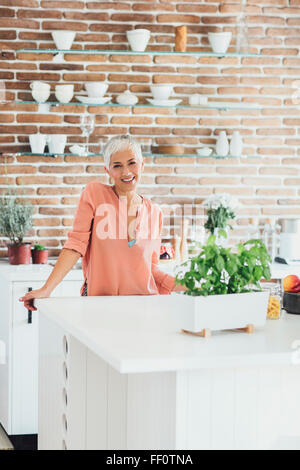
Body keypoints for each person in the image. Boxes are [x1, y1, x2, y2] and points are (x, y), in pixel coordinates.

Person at [19, 135, 185, 311]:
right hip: (98, 305)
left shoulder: (154, 212)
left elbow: (152, 270)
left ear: (142, 164)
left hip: (143, 307)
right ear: (108, 170)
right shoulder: (94, 194)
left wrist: (190, 285)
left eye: (132, 163)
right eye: (117, 166)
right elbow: (76, 245)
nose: (126, 172)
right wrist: (47, 289)